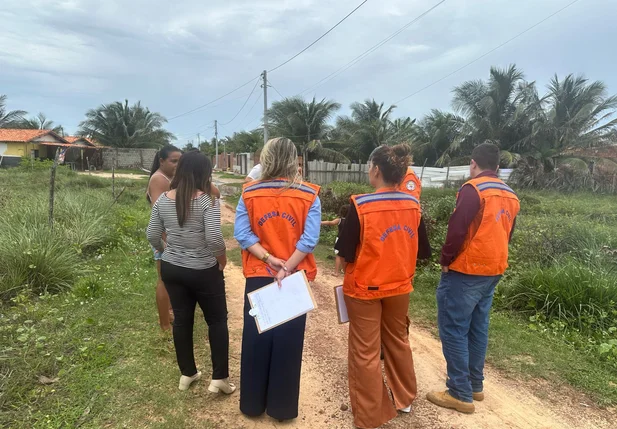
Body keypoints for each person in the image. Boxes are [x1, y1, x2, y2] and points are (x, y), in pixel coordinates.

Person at [335, 144, 431, 429]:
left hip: (365, 289)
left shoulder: (361, 205)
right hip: (400, 286)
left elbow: (344, 256)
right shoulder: (413, 205)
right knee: (398, 340)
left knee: (365, 351)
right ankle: (405, 399)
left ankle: (367, 416)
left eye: (369, 166)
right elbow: (422, 251)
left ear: (376, 170)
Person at [427, 142, 519, 414]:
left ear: (473, 164)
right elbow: (508, 233)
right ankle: (475, 385)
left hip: (467, 270)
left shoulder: (474, 189)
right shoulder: (511, 195)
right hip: (494, 269)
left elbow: (456, 230)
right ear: (498, 167)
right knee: (478, 327)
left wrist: (445, 261)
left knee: (454, 328)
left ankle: (459, 392)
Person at [234, 137, 321, 421]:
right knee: (288, 342)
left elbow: (243, 234)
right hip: (293, 279)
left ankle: (251, 404)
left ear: (267, 158)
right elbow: (309, 239)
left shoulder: (249, 193)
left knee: (256, 339)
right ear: (293, 160)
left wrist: (268, 259)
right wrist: (287, 267)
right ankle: (282, 409)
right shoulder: (310, 194)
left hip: (260, 274)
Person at [146, 151, 235, 394]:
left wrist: (168, 252)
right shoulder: (207, 201)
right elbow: (214, 238)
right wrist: (222, 258)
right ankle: (219, 379)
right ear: (204, 173)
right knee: (216, 320)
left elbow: (152, 234)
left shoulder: (164, 199)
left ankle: (187, 374)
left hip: (172, 269)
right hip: (204, 270)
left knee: (182, 320)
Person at [146, 145, 182, 331]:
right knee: (164, 279)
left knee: (170, 280)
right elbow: (159, 213)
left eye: (179, 161)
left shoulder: (168, 178)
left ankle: (169, 313)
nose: (177, 165)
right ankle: (165, 326)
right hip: (163, 236)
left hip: (170, 236)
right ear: (161, 161)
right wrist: (165, 241)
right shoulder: (158, 179)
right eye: (173, 161)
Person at [321, 204, 349, 274]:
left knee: (338, 256)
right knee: (345, 256)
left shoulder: (339, 220)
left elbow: (330, 222)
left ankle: (336, 272)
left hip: (339, 239)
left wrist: (321, 222)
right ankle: (345, 271)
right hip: (348, 240)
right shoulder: (350, 221)